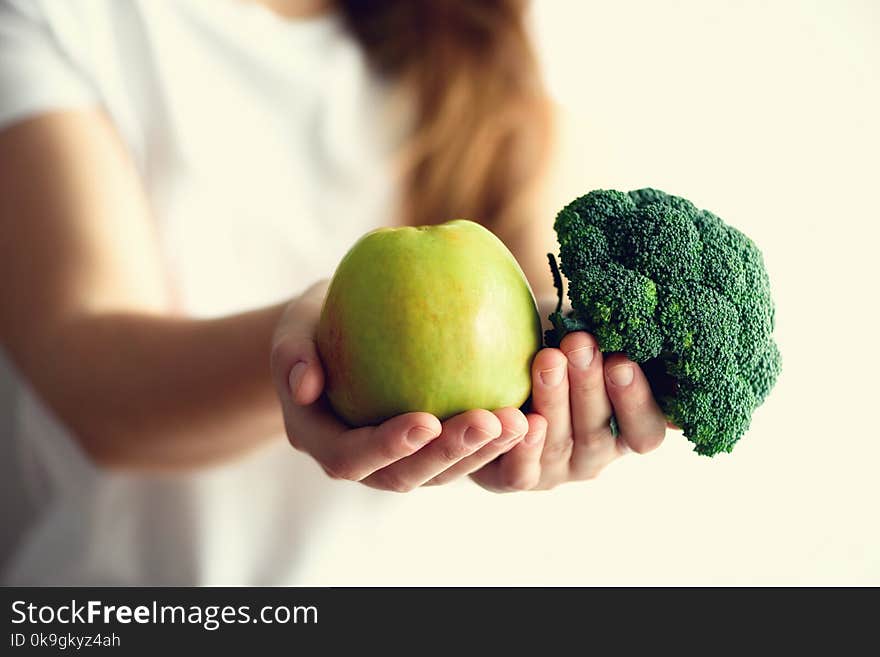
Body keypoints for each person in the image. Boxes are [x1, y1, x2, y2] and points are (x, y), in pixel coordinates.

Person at [0, 0, 667, 585]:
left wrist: (574, 374)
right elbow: (85, 368)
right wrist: (307, 352)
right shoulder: (57, 18)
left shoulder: (469, 25)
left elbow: (543, 244)